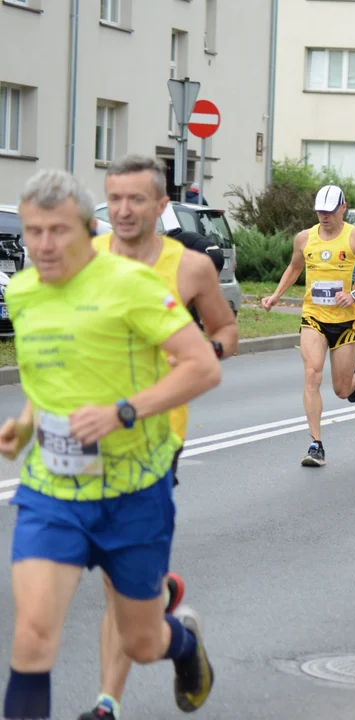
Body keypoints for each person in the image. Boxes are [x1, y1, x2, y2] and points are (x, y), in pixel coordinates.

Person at [1, 169, 220, 718]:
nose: (44, 246)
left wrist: (124, 413)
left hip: (134, 493)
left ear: (84, 229)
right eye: (33, 232)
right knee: (31, 638)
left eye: (57, 231)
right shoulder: (23, 293)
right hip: (52, 492)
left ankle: (185, 644)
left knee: (143, 642)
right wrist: (25, 424)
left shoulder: (131, 285)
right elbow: (49, 379)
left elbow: (201, 369)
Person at [79, 156, 239, 720]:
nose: (122, 211)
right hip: (86, 435)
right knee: (115, 580)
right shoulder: (85, 257)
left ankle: (106, 704)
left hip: (153, 439)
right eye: (113, 199)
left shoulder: (190, 267)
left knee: (114, 591)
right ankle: (165, 610)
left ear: (162, 205)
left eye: (136, 200)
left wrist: (199, 356)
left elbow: (225, 330)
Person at [260, 185, 355, 467]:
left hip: (345, 320)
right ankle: (315, 444)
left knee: (342, 390)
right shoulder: (304, 238)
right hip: (314, 316)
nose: (324, 216)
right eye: (320, 211)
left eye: (329, 211)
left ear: (343, 207)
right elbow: (294, 268)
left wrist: (354, 294)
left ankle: (353, 376)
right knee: (312, 374)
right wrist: (275, 296)